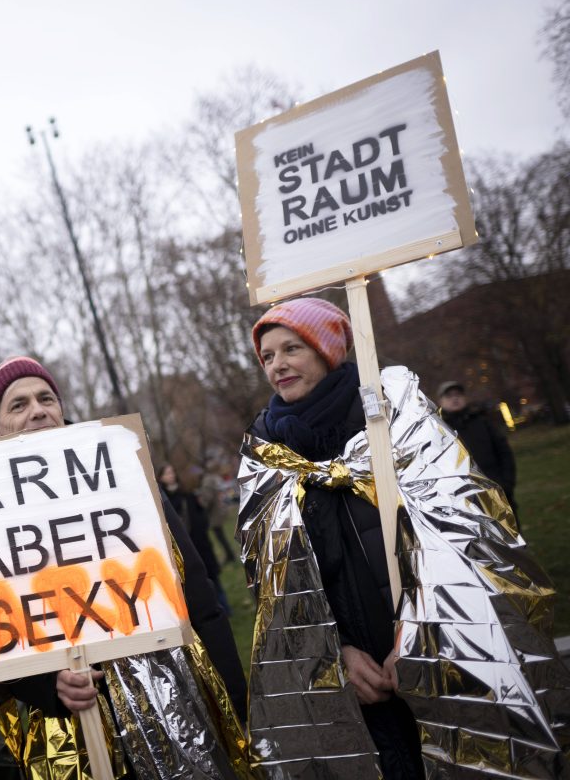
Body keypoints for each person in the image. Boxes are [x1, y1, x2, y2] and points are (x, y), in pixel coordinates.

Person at [239, 297, 567, 778]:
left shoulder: (396, 421)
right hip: (357, 687)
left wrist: (420, 639)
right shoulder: (267, 455)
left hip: (444, 654)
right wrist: (336, 655)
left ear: (329, 350)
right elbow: (274, 588)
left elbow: (468, 541)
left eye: (292, 348)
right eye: (267, 356)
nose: (277, 365)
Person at [0, 357, 248, 779]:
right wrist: (49, 686)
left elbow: (196, 589)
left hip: (171, 697)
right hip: (76, 730)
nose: (37, 410)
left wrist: (232, 696)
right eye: (17, 405)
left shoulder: (125, 474)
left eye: (46, 397)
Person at [436, 380, 518, 515]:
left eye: (458, 394)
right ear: (441, 401)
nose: (455, 398)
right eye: (449, 395)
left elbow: (504, 452)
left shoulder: (482, 422)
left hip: (496, 491)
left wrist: (506, 483)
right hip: (460, 500)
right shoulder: (439, 429)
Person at [158, 464, 230, 614]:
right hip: (182, 548)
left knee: (212, 577)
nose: (170, 476)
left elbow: (201, 517)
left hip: (200, 543)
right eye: (166, 473)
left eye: (171, 472)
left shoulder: (187, 494)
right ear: (160, 478)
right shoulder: (163, 502)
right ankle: (208, 611)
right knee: (195, 583)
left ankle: (225, 608)